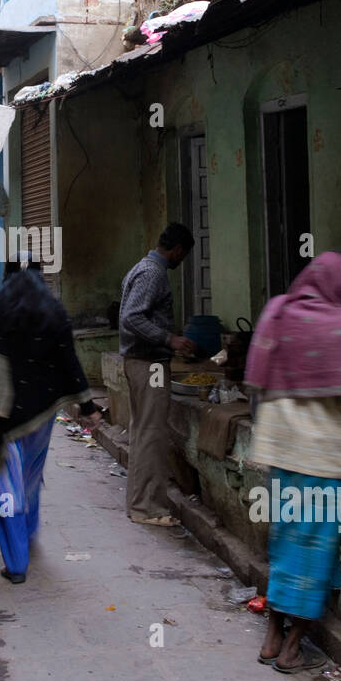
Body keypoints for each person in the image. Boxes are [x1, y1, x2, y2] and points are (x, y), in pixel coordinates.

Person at [245, 251, 341, 673]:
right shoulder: (340, 326)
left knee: (285, 544)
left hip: (282, 458)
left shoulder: (279, 313)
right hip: (321, 461)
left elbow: (259, 382)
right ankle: (292, 647)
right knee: (315, 554)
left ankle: (271, 638)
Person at [0, 262, 101, 583]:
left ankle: (16, 564)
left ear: (6, 277)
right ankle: (29, 536)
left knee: (7, 487)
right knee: (30, 479)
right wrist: (88, 406)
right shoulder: (53, 310)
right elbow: (68, 359)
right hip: (41, 417)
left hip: (1, 418)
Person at [119, 222, 195, 527]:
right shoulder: (153, 273)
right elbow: (131, 317)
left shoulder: (142, 267)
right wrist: (169, 339)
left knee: (142, 433)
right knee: (151, 435)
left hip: (138, 361)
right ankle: (147, 507)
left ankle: (140, 503)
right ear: (177, 250)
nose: (181, 261)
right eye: (183, 255)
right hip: (149, 363)